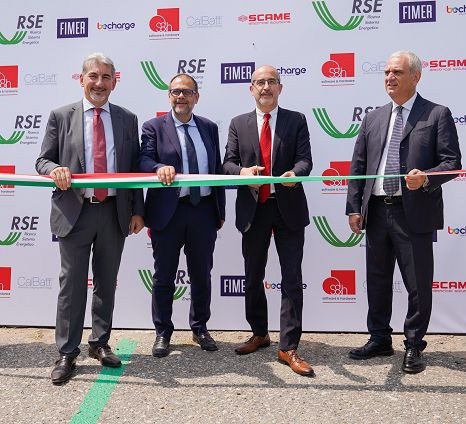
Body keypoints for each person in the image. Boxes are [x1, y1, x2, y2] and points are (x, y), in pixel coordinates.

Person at [346, 51, 462, 373]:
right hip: (376, 211)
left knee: (417, 284)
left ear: (416, 76)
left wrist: (426, 177)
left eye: (396, 72)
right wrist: (354, 207)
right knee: (377, 280)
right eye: (386, 72)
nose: (389, 77)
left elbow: (452, 162)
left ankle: (413, 344)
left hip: (414, 213)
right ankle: (379, 338)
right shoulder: (373, 118)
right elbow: (358, 166)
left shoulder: (436, 114)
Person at [35, 52, 145, 385]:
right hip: (75, 212)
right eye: (93, 76)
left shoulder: (127, 119)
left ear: (114, 82)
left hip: (114, 212)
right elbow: (42, 160)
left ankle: (99, 343)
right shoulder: (61, 116)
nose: (99, 83)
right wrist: (55, 169)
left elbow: (135, 169)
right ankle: (67, 352)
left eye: (106, 77)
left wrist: (138, 210)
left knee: (106, 282)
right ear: (81, 79)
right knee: (71, 285)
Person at [223, 65, 314, 376]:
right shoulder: (239, 123)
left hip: (288, 207)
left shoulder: (296, 120)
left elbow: (306, 160)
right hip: (254, 209)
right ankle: (259, 333)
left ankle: (288, 347)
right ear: (251, 88)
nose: (265, 87)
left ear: (280, 87)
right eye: (259, 82)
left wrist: (295, 174)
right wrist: (242, 173)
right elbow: (227, 164)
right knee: (252, 276)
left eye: (271, 82)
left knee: (291, 278)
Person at [139, 74, 225, 356]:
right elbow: (143, 159)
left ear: (196, 97)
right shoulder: (153, 127)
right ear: (169, 96)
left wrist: (220, 209)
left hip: (203, 211)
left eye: (187, 92)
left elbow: (217, 169)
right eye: (175, 91)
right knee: (164, 275)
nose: (180, 97)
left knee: (201, 274)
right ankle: (163, 332)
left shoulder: (209, 127)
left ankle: (200, 328)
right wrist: (158, 168)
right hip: (168, 213)